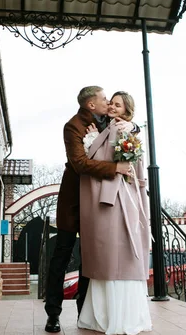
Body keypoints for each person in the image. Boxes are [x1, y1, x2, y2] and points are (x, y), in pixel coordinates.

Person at [45, 86, 134, 333]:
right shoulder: (72, 126)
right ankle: (53, 314)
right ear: (91, 105)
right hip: (73, 200)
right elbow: (80, 163)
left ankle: (87, 312)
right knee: (61, 256)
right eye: (104, 99)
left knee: (93, 256)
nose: (109, 102)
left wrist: (132, 127)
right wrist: (115, 168)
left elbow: (130, 125)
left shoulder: (109, 120)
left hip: (98, 201)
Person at [77, 91, 152, 335]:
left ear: (126, 110)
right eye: (110, 102)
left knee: (113, 254)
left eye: (117, 104)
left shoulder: (122, 130)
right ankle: (107, 315)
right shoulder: (112, 128)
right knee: (107, 255)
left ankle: (114, 317)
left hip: (117, 198)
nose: (111, 106)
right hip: (112, 196)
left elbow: (109, 161)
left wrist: (90, 141)